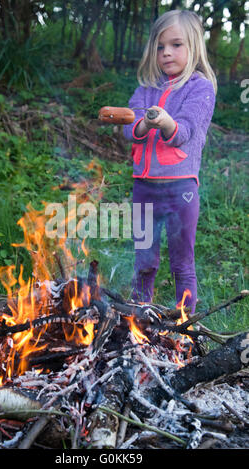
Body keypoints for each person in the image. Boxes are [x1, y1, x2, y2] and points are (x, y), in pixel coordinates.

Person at [123, 10, 217, 314]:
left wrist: (165, 123)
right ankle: (139, 317)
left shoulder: (200, 88)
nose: (166, 53)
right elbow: (129, 125)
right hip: (144, 187)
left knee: (181, 261)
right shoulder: (146, 87)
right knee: (144, 259)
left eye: (176, 45)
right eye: (160, 46)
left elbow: (186, 131)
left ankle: (185, 323)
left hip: (181, 190)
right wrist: (143, 124)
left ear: (193, 47)